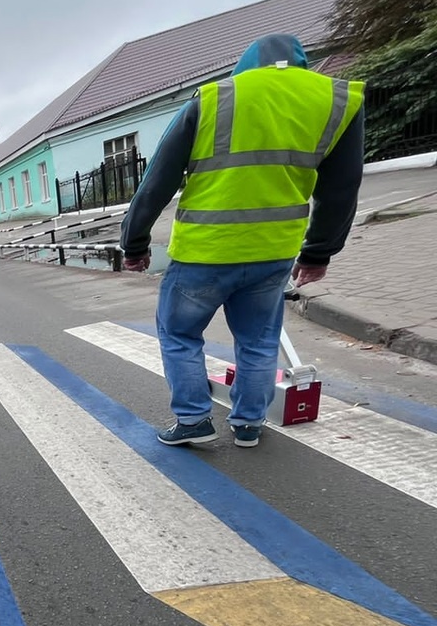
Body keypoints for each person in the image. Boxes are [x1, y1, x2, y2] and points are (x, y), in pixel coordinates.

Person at [120, 33, 365, 448]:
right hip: (273, 251)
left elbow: (157, 180)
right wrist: (318, 252)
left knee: (179, 335)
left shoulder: (215, 97)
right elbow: (342, 187)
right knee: (259, 340)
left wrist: (135, 243)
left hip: (204, 251)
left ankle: (194, 420)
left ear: (246, 63)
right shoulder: (337, 100)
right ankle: (249, 423)